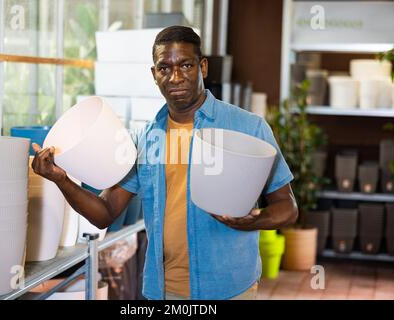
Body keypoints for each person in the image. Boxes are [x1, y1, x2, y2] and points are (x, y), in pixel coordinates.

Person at [32, 25, 298, 300]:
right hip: (163, 290)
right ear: (154, 74)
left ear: (203, 67)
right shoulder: (146, 140)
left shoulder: (248, 127)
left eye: (186, 65)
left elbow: (287, 208)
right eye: (164, 68)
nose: (175, 77)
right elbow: (105, 212)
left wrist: (253, 221)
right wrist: (61, 179)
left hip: (229, 288)